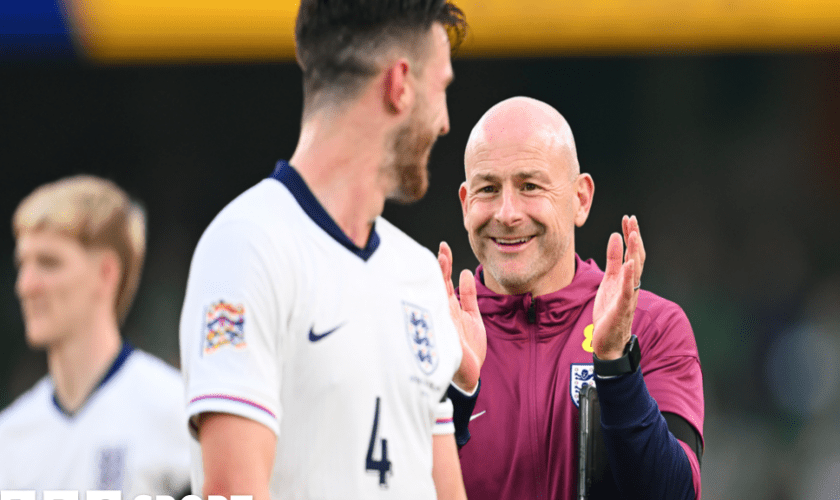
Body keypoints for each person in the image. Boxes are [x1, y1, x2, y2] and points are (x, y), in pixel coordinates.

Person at [178, 1, 485, 499]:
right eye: (442, 88)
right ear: (400, 84)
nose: (446, 121)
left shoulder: (419, 273)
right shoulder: (246, 248)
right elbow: (233, 491)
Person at [437, 96, 704, 499]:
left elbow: (675, 495)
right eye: (488, 189)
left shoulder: (651, 325)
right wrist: (455, 396)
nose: (507, 213)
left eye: (529, 186)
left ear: (580, 198)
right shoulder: (427, 328)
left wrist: (616, 365)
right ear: (464, 203)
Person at [0, 175, 191, 496]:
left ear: (106, 273)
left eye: (49, 263)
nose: (26, 285)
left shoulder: (177, 414)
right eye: (22, 265)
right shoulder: (11, 436)